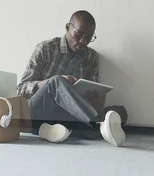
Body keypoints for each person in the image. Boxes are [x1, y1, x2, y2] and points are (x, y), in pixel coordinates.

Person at [17, 11, 126, 147]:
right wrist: (50, 83)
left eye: (88, 37)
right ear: (68, 27)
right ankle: (99, 126)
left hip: (68, 113)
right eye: (79, 34)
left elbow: (89, 96)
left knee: (120, 111)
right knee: (56, 81)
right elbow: (21, 89)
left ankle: (52, 131)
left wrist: (97, 102)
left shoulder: (91, 57)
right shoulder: (45, 49)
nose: (83, 41)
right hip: (39, 112)